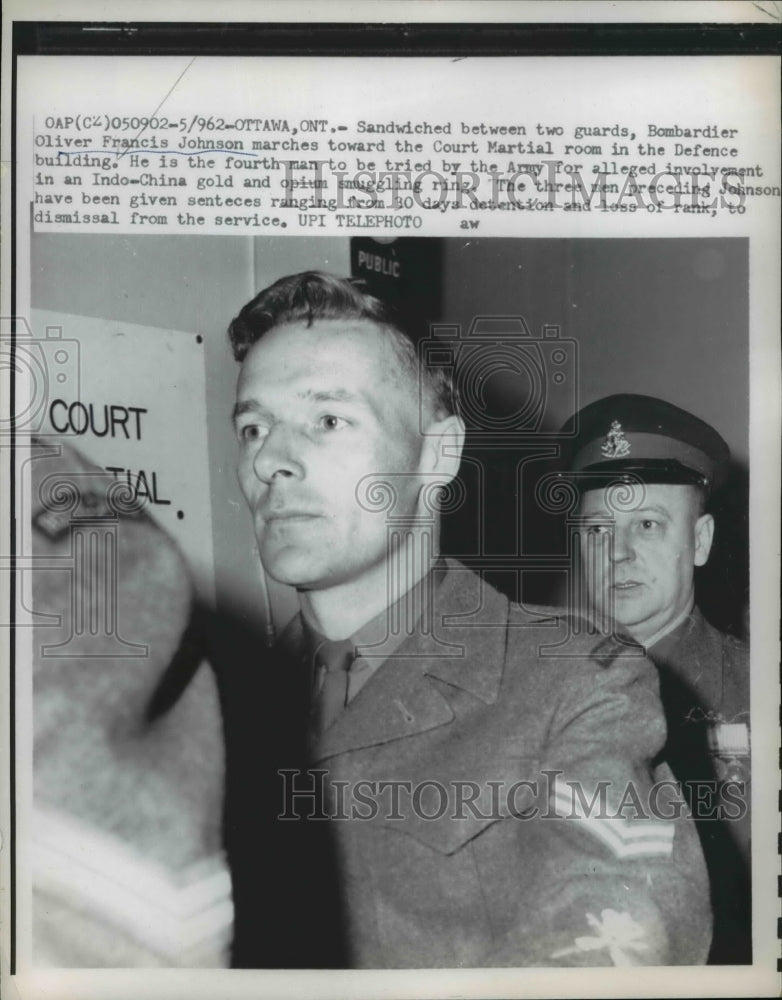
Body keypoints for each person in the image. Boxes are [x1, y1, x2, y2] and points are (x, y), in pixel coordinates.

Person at [222, 272, 711, 969]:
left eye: (327, 420)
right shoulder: (217, 703)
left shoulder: (571, 685)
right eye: (252, 426)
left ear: (437, 454)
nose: (269, 460)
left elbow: (616, 940)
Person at [562, 393, 750, 964]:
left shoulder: (760, 687)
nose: (618, 553)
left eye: (647, 524)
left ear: (699, 542)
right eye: (598, 529)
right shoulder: (529, 690)